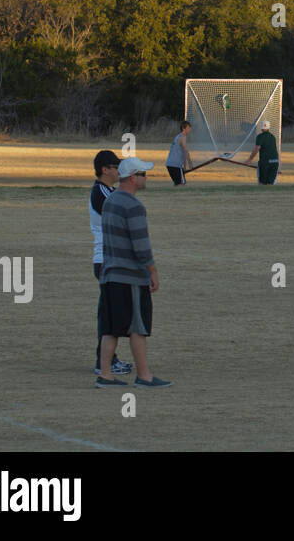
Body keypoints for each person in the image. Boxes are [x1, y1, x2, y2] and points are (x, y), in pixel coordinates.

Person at [96, 157, 170, 388]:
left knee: (111, 328)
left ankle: (105, 374)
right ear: (132, 178)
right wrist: (153, 271)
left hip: (110, 274)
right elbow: (141, 245)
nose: (146, 178)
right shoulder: (134, 206)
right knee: (138, 326)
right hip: (130, 276)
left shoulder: (110, 201)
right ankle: (144, 375)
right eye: (143, 174)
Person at [89, 150, 132, 376]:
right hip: (107, 259)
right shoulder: (101, 192)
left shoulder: (109, 191)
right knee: (109, 313)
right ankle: (104, 362)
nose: (118, 171)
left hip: (111, 259)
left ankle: (106, 359)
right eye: (115, 167)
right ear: (105, 169)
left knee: (108, 311)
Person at [247, 120, 279, 185]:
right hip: (275, 161)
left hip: (265, 162)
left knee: (262, 183)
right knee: (271, 184)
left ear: (261, 128)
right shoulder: (272, 137)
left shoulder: (260, 136)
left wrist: (250, 159)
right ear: (269, 127)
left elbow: (257, 148)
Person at [165, 121, 192, 186]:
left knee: (178, 184)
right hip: (176, 165)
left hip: (170, 164)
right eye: (188, 128)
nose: (190, 129)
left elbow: (183, 152)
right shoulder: (183, 137)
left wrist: (184, 166)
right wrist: (190, 163)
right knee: (181, 184)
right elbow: (186, 152)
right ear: (183, 128)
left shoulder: (178, 136)